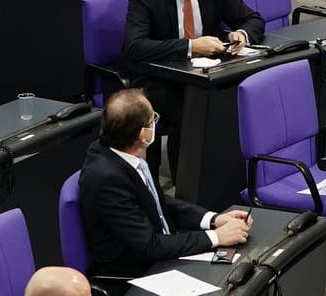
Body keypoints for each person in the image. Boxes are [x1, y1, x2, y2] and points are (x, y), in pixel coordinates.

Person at [122, 0, 266, 165]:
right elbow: (135, 47)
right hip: (161, 78)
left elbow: (252, 18)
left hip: (206, 72)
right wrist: (190, 46)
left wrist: (241, 34)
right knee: (192, 110)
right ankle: (188, 186)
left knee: (241, 96)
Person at [79, 89, 251, 279]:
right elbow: (148, 247)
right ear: (143, 135)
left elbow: (158, 201)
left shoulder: (121, 152)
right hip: (137, 271)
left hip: (161, 248)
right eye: (153, 119)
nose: (155, 122)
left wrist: (214, 220)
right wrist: (216, 237)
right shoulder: (107, 179)